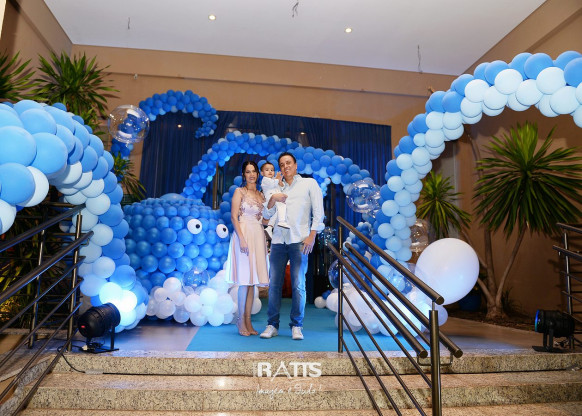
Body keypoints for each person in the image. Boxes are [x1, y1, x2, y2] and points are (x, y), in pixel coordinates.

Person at [260, 152, 324, 340]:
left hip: (300, 240)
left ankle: (297, 325)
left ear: (295, 165)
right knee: (274, 285)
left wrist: (312, 235)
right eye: (282, 164)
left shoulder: (309, 183)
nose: (285, 166)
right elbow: (267, 214)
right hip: (278, 241)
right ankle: (272, 325)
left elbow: (318, 211)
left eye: (288, 163)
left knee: (298, 285)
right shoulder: (275, 186)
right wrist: (273, 197)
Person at [225, 161, 269, 336]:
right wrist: (242, 239)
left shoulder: (261, 195)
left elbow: (263, 220)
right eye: (248, 172)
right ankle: (240, 320)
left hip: (258, 235)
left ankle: (248, 321)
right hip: (243, 235)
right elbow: (233, 217)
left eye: (254, 171)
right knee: (245, 281)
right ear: (244, 174)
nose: (251, 174)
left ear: (258, 174)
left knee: (252, 283)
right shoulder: (239, 192)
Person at [260, 161, 290, 239]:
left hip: (277, 199)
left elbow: (282, 187)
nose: (270, 171)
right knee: (281, 207)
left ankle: (270, 227)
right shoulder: (265, 180)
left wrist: (280, 182)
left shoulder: (274, 179)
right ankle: (281, 221)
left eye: (272, 170)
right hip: (271, 198)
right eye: (267, 170)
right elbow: (272, 184)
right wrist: (277, 179)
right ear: (262, 173)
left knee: (277, 212)